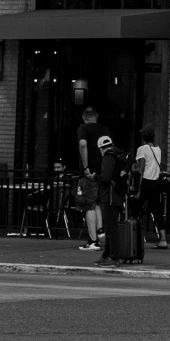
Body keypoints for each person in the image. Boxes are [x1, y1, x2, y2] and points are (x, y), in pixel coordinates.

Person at [75, 107, 104, 252]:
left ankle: (93, 241)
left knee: (89, 205)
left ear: (83, 117)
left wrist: (86, 167)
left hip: (90, 173)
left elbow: (82, 144)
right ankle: (100, 231)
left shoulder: (83, 129)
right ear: (97, 116)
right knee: (98, 202)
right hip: (103, 173)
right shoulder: (105, 130)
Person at [134, 126, 167, 248]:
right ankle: (163, 239)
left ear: (143, 137)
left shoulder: (142, 149)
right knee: (157, 211)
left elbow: (141, 168)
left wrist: (138, 188)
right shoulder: (158, 149)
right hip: (156, 183)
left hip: (146, 182)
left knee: (135, 209)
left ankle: (135, 236)